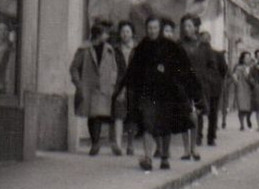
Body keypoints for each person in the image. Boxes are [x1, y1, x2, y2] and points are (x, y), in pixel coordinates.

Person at [112, 16, 199, 171]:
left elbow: (184, 69)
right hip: (147, 93)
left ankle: (164, 157)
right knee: (147, 124)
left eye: (155, 28)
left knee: (165, 126)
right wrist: (123, 89)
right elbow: (132, 70)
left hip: (166, 93)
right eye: (149, 28)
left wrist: (191, 91)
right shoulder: (143, 47)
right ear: (146, 29)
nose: (152, 31)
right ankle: (148, 158)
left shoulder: (171, 46)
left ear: (159, 29)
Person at [70, 22, 124, 155]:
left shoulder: (109, 50)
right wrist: (78, 83)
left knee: (105, 115)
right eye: (105, 33)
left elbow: (114, 69)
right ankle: (95, 143)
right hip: (89, 87)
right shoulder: (84, 49)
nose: (107, 35)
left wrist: (112, 84)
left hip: (105, 87)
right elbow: (74, 68)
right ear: (98, 35)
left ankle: (110, 143)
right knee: (93, 116)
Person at [178, 16, 213, 159]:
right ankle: (186, 149)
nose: (186, 29)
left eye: (189, 26)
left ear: (196, 28)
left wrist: (206, 79)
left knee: (195, 116)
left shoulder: (204, 46)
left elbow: (211, 65)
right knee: (185, 116)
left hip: (198, 85)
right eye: (184, 26)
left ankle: (194, 147)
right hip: (183, 84)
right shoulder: (179, 45)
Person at [114, 20, 141, 155]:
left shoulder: (137, 50)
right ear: (119, 34)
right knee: (118, 114)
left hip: (134, 86)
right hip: (119, 85)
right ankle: (118, 145)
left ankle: (130, 144)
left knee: (131, 116)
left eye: (127, 32)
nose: (125, 34)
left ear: (132, 34)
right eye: (123, 32)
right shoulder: (115, 50)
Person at [229, 52, 256, 131]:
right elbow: (234, 75)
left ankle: (248, 119)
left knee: (249, 108)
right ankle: (242, 125)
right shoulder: (239, 68)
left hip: (251, 89)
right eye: (246, 58)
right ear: (243, 59)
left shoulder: (252, 68)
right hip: (242, 89)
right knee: (241, 108)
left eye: (249, 58)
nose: (248, 59)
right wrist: (236, 81)